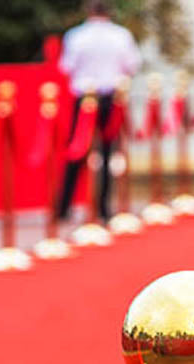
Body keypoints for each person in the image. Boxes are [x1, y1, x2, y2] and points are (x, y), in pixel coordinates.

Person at [55, 0, 141, 222]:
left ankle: (64, 207)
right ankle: (103, 208)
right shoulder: (121, 36)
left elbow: (66, 67)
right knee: (105, 152)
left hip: (84, 98)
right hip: (109, 97)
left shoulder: (76, 36)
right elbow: (132, 65)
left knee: (76, 151)